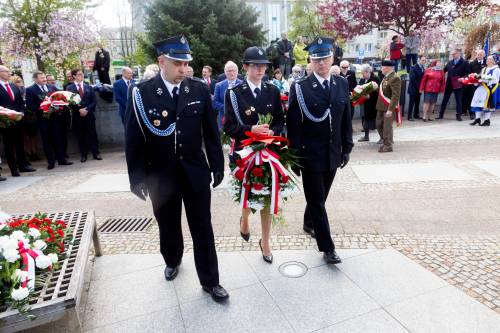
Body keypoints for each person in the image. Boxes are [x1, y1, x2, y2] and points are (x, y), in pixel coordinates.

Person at [125, 34, 228, 302]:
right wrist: (136, 177)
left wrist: (218, 166)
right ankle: (172, 259)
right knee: (168, 225)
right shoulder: (142, 94)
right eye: (177, 64)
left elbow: (211, 133)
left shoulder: (199, 89)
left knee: (202, 228)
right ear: (161, 62)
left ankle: (210, 280)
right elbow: (133, 139)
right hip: (161, 176)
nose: (183, 69)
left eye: (186, 64)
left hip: (195, 172)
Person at [287, 37, 353, 264]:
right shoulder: (301, 88)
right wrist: (293, 155)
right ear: (310, 61)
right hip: (310, 154)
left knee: (321, 196)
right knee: (317, 201)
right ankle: (327, 247)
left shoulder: (341, 83)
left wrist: (348, 146)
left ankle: (308, 222)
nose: (321, 63)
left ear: (332, 57)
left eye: (325, 58)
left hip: (333, 152)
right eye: (316, 59)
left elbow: (346, 118)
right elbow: (294, 123)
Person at [223, 46, 284, 264]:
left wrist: (272, 132)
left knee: (267, 197)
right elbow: (229, 127)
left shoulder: (272, 91)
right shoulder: (234, 93)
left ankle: (265, 242)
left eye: (263, 66)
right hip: (245, 155)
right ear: (245, 67)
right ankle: (245, 219)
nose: (260, 69)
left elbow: (279, 121)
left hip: (269, 153)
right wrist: (251, 131)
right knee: (248, 195)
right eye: (255, 65)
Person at [26, 71, 73, 169]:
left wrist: (57, 106)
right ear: (35, 79)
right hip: (43, 120)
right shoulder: (30, 90)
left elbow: (59, 99)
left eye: (44, 77)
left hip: (55, 119)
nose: (44, 79)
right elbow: (30, 106)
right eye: (41, 78)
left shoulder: (52, 87)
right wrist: (44, 108)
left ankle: (61, 159)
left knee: (58, 139)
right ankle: (51, 162)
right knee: (47, 141)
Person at [0, 65, 36, 176]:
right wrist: (6, 115)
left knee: (20, 143)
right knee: (9, 145)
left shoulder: (13, 85)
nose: (9, 73)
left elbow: (20, 102)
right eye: (6, 71)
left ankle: (23, 165)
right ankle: (13, 169)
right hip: (5, 121)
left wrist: (21, 112)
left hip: (18, 119)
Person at [66, 69, 102, 162]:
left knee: (92, 135)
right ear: (74, 76)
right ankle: (83, 155)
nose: (81, 75)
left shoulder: (88, 87)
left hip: (88, 115)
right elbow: (69, 103)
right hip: (77, 116)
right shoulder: (69, 88)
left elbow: (94, 101)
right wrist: (78, 110)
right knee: (81, 136)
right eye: (79, 74)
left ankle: (96, 153)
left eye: (82, 74)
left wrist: (86, 109)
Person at [376, 60, 401, 152]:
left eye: (382, 67)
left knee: (387, 127)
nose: (381, 69)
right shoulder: (386, 77)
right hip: (381, 106)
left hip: (388, 106)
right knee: (378, 124)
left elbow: (396, 95)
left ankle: (388, 145)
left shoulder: (395, 78)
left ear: (387, 68)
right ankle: (387, 140)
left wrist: (390, 109)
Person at [438, 49, 470, 121]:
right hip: (449, 84)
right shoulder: (450, 62)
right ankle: (441, 114)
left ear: (459, 54)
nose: (453, 55)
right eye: (452, 54)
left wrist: (463, 78)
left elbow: (468, 73)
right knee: (445, 99)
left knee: (458, 100)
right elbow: (443, 71)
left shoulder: (465, 62)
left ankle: (458, 115)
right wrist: (435, 70)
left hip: (458, 83)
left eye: (454, 54)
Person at [470, 56, 500, 126]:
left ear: (493, 61)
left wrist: (484, 78)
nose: (488, 61)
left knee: (487, 104)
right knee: (478, 102)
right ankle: (477, 119)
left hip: (489, 88)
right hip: (481, 88)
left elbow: (495, 80)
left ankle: (487, 120)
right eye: (488, 59)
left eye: (490, 59)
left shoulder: (496, 69)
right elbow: (480, 76)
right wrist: (475, 80)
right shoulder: (484, 68)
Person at [213, 61, 241, 129]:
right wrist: (227, 108)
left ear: (237, 71)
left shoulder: (243, 85)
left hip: (240, 119)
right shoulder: (219, 86)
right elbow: (214, 102)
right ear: (225, 72)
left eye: (233, 70)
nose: (231, 73)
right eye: (229, 71)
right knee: (224, 139)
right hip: (223, 119)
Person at [357, 64, 380, 142]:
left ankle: (382, 138)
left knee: (377, 122)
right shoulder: (362, 79)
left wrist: (368, 95)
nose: (362, 74)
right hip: (365, 103)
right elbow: (359, 88)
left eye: (362, 72)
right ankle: (366, 137)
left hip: (374, 104)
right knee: (365, 120)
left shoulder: (375, 79)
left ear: (367, 72)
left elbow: (377, 91)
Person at [464, 50, 486, 119]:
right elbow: (468, 73)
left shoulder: (487, 63)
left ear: (484, 55)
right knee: (472, 98)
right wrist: (473, 76)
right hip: (473, 85)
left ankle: (481, 112)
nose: (480, 56)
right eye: (478, 54)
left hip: (484, 85)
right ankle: (472, 113)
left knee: (482, 98)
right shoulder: (472, 63)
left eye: (481, 54)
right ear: (476, 55)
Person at [407, 55, 426, 120]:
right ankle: (409, 116)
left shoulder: (423, 68)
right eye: (422, 60)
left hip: (419, 89)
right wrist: (419, 88)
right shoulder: (413, 67)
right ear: (419, 60)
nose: (424, 62)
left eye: (424, 60)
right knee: (411, 103)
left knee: (417, 103)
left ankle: (416, 115)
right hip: (413, 89)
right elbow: (413, 79)